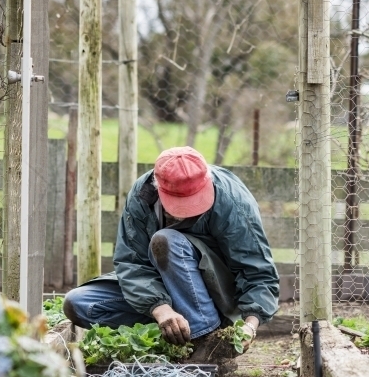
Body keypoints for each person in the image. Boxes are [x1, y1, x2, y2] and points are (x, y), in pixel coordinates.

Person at [63, 146, 279, 363]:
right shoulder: (143, 195)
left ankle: (208, 341)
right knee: (79, 303)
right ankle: (174, 338)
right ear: (159, 188)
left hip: (217, 299)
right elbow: (131, 263)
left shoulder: (232, 201)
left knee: (165, 240)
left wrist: (250, 325)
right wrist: (161, 309)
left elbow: (258, 272)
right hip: (164, 292)